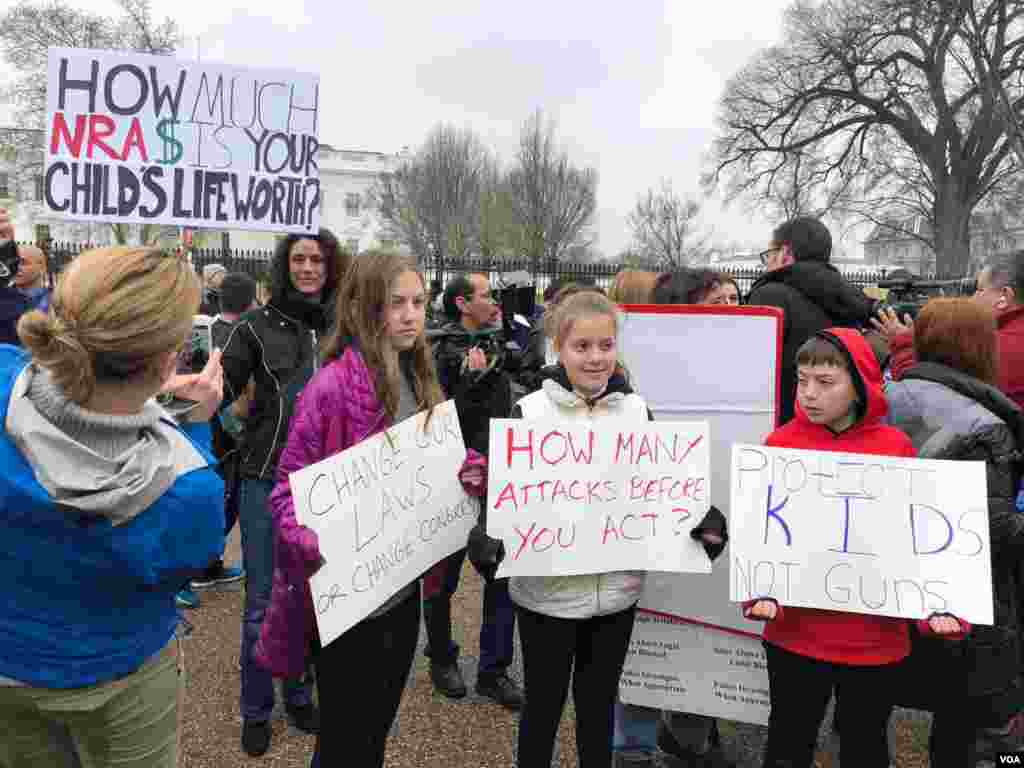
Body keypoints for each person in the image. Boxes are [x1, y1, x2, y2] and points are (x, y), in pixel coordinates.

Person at [465, 290, 727, 768]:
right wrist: (489, 539)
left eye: (605, 346)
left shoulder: (637, 412)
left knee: (598, 706)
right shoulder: (529, 414)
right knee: (542, 708)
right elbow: (502, 502)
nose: (595, 358)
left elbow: (661, 489)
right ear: (558, 349)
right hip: (547, 596)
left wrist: (700, 523)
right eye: (581, 347)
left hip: (617, 594)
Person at [0, 245, 225, 768]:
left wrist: (151, 399)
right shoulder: (191, 492)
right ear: (169, 357)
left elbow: (72, 410)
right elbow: (184, 564)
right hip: (119, 674)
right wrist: (189, 423)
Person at [255, 251, 446, 768]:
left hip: (402, 595)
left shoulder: (423, 380)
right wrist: (308, 539)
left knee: (375, 732)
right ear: (365, 309)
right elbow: (286, 494)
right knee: (342, 740)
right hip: (346, 603)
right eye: (395, 304)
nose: (410, 315)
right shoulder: (330, 389)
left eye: (418, 303)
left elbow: (433, 472)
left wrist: (468, 472)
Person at [743, 328, 963, 768]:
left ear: (860, 385)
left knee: (864, 740)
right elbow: (764, 535)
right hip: (795, 634)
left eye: (825, 383)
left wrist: (934, 608)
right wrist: (758, 593)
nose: (808, 394)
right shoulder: (780, 445)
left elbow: (916, 540)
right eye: (802, 380)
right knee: (789, 736)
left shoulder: (896, 449)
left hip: (874, 639)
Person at [222, 229, 348, 756]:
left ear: (329, 266)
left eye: (316, 259)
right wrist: (235, 437)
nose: (307, 268)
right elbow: (221, 392)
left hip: (330, 484)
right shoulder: (254, 327)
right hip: (266, 478)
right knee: (262, 602)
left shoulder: (344, 327)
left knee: (313, 597)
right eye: (297, 259)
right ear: (284, 265)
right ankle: (257, 710)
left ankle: (299, 694)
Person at [884, 298, 1024, 766]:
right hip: (957, 595)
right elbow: (996, 528)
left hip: (884, 579)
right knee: (957, 714)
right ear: (983, 349)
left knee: (868, 705)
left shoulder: (879, 399)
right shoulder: (989, 424)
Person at [613, 267, 737, 768]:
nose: (732, 311)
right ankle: (635, 746)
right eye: (717, 302)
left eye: (735, 299)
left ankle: (689, 737)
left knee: (707, 626)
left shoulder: (750, 363)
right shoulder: (632, 373)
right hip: (648, 525)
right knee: (648, 634)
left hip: (715, 522)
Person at [423, 273, 524, 708]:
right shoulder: (437, 351)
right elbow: (432, 420)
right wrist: (468, 382)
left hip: (498, 477)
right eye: (485, 295)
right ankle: (441, 657)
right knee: (441, 578)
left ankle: (493, 670)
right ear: (463, 303)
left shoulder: (508, 342)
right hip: (450, 481)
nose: (495, 301)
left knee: (500, 572)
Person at [747, 217, 876, 424]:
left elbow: (752, 368)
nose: (767, 263)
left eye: (769, 254)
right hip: (839, 419)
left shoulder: (770, 295)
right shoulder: (847, 296)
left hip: (784, 420)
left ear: (786, 254)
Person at [185, 273, 260, 599]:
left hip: (204, 429)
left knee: (218, 501)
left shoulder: (206, 328)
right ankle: (188, 574)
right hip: (220, 431)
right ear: (250, 300)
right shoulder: (241, 333)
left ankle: (209, 564)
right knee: (214, 501)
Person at [881, 250, 1024, 409]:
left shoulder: (996, 348)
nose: (973, 298)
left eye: (979, 289)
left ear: (1004, 297)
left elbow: (931, 403)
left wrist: (903, 346)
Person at [0, 210, 51, 346]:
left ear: (42, 266)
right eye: (14, 262)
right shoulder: (6, 296)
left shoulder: (56, 302)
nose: (17, 267)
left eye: (23, 262)